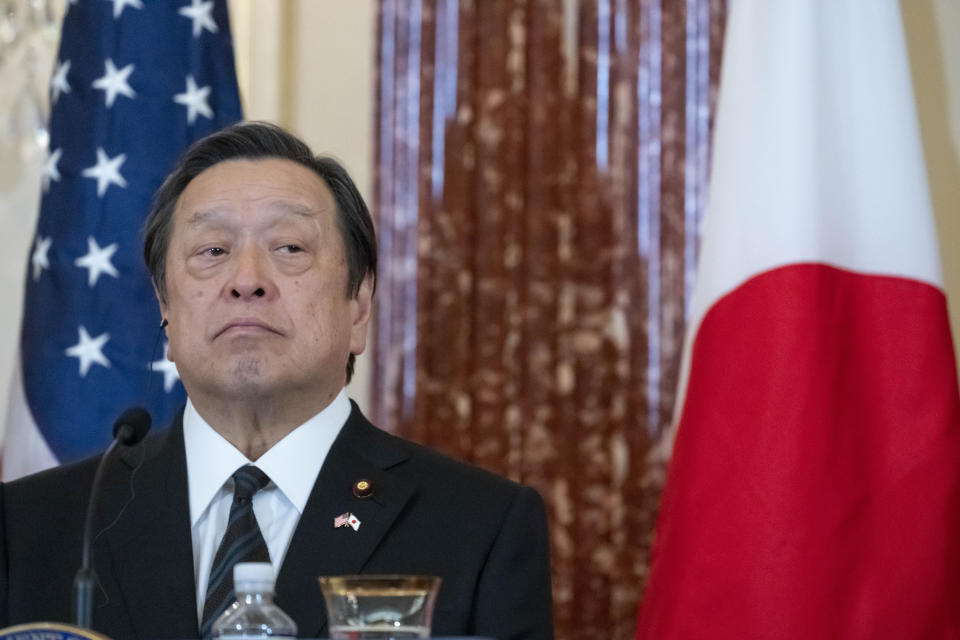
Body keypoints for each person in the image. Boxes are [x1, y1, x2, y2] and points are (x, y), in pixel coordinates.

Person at [0, 122, 554, 640]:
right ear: (164, 311)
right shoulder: (30, 528)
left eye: (289, 248)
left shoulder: (479, 528)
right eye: (212, 251)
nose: (246, 280)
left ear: (359, 306)